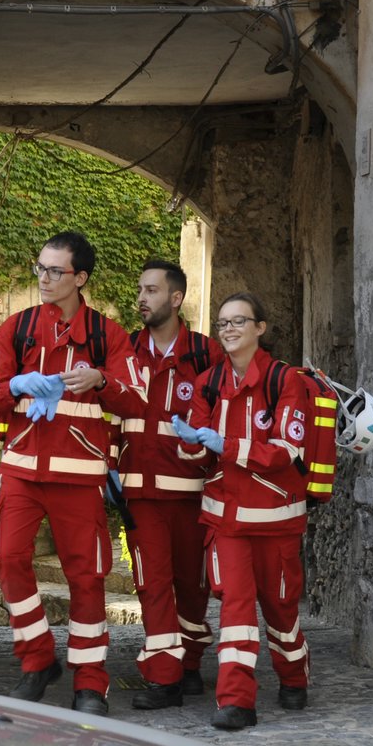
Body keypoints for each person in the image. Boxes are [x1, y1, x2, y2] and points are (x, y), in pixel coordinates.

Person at [0, 231, 148, 715]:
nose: (45, 279)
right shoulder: (16, 329)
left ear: (80, 278)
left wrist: (102, 380)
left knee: (88, 578)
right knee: (6, 560)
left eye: (56, 271)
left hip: (79, 478)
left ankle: (90, 681)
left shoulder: (106, 335)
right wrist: (13, 384)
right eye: (41, 268)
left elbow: (135, 398)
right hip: (22, 473)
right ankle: (36, 660)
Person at [172, 291, 312, 728]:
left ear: (260, 328)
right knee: (235, 610)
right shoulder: (208, 383)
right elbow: (194, 456)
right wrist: (190, 443)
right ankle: (235, 701)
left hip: (276, 521)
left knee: (281, 608)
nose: (229, 330)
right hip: (226, 520)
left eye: (238, 321)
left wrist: (225, 445)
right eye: (222, 323)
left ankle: (293, 675)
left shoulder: (285, 381)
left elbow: (286, 450)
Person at [116, 261, 216, 710]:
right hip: (140, 491)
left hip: (195, 491)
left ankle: (189, 662)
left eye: (152, 290)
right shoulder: (122, 352)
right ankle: (164, 678)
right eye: (140, 289)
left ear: (175, 299)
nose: (142, 297)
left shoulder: (206, 354)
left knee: (192, 586)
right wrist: (105, 468)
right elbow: (107, 413)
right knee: (152, 584)